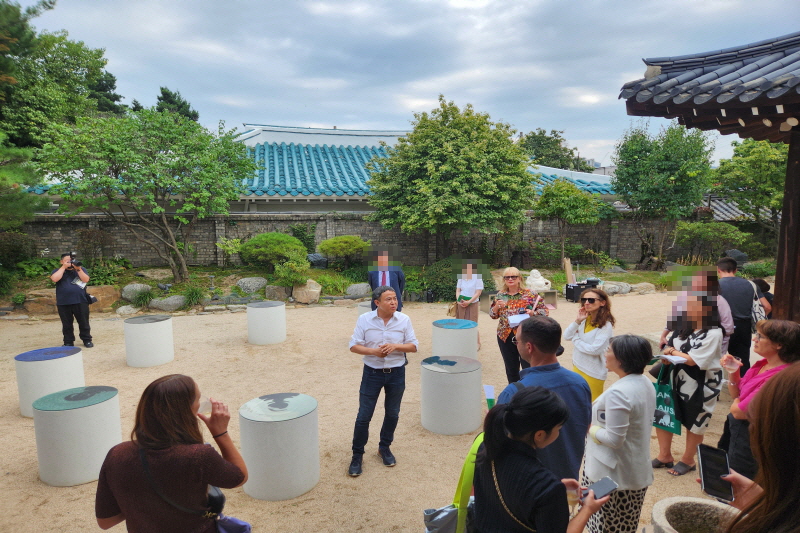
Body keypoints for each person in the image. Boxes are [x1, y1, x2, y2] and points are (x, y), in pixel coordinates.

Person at [95, 375, 247, 531]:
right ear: (186, 411)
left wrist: (142, 504)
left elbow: (106, 521)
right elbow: (239, 477)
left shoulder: (117, 454)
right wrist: (220, 433)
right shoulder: (198, 456)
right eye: (198, 400)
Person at [472, 386, 609, 533]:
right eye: (558, 428)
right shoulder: (546, 486)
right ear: (540, 435)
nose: (559, 432)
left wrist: (558, 487)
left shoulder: (487, 448)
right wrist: (587, 509)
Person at [497, 316, 591, 481]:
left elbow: (499, 443)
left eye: (516, 340)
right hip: (568, 480)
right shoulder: (580, 383)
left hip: (529, 484)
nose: (516, 344)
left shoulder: (513, 393)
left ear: (529, 347)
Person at [583, 335, 656, 533]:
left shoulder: (619, 392)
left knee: (607, 526)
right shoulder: (645, 382)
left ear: (622, 359)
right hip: (632, 472)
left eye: (609, 351)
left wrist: (589, 427)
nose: (605, 355)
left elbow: (614, 439)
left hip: (613, 477)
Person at [347, 286, 418, 477]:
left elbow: (413, 346)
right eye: (389, 299)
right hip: (372, 373)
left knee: (393, 413)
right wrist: (374, 352)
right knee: (364, 415)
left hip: (396, 373)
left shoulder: (404, 319)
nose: (394, 302)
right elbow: (353, 346)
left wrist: (395, 346)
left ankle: (384, 448)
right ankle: (357, 455)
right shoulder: (365, 320)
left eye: (395, 298)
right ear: (377, 303)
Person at [722, 362, 800, 533]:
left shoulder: (784, 379)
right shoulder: (762, 367)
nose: (755, 429)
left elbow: (740, 410)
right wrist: (761, 503)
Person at [653, 294, 724, 476]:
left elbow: (693, 361)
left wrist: (673, 352)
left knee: (695, 420)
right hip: (674, 378)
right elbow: (667, 348)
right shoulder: (682, 328)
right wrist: (668, 356)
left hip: (701, 383)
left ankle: (688, 459)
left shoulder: (714, 332)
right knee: (664, 413)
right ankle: (664, 455)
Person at [720, 319, 800, 479]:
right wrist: (733, 370)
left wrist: (737, 403)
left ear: (779, 344)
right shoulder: (762, 364)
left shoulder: (779, 377)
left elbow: (739, 411)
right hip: (740, 432)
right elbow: (737, 395)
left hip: (753, 439)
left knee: (740, 480)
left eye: (760, 336)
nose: (754, 339)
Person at [489, 267, 548, 383]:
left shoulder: (530, 294)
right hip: (505, 335)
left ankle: (529, 392)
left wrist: (532, 313)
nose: (510, 279)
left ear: (519, 278)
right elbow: (493, 315)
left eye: (513, 277)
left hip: (526, 335)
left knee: (528, 366)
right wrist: (496, 306)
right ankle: (514, 393)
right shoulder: (501, 295)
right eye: (507, 277)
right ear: (504, 280)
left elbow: (544, 312)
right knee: (511, 367)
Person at [660, 269, 734, 356]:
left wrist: (718, 348)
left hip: (707, 344)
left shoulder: (719, 301)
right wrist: (663, 336)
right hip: (687, 343)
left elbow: (728, 328)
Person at [717, 257, 771, 374]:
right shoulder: (751, 284)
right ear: (736, 270)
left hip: (719, 326)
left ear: (718, 270)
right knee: (741, 360)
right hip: (743, 326)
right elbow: (767, 307)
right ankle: (743, 387)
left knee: (714, 357)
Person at [563, 288, 615, 401]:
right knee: (578, 402)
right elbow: (566, 336)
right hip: (577, 366)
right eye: (584, 300)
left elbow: (594, 350)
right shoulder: (584, 319)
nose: (586, 303)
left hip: (594, 371)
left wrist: (576, 339)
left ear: (602, 302)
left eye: (591, 300)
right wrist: (577, 321)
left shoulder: (606, 325)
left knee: (592, 404)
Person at [50, 252, 93, 348]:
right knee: (66, 324)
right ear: (61, 261)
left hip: (80, 300)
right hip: (63, 302)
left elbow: (86, 280)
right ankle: (68, 342)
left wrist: (78, 269)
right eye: (67, 261)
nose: (70, 262)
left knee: (84, 322)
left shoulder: (80, 270)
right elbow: (55, 279)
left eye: (72, 260)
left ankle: (87, 340)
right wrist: (63, 268)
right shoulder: (57, 271)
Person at [455, 260, 484, 349]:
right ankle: (462, 342)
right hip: (461, 303)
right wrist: (458, 300)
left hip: (473, 303)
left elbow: (478, 292)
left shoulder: (478, 278)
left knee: (472, 322)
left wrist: (469, 301)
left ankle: (477, 343)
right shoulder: (461, 277)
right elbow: (458, 290)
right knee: (461, 322)